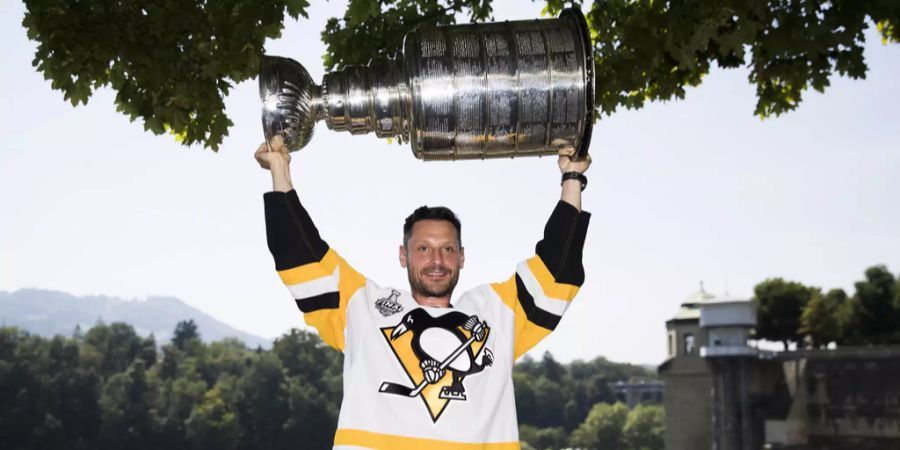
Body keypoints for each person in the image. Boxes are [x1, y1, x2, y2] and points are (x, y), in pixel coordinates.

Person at [255, 138, 591, 450]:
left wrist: (572, 177)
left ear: (462, 257)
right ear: (404, 255)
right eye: (423, 248)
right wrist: (279, 168)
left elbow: (556, 272)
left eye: (447, 249)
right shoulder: (365, 308)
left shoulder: (495, 314)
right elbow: (300, 255)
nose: (436, 260)